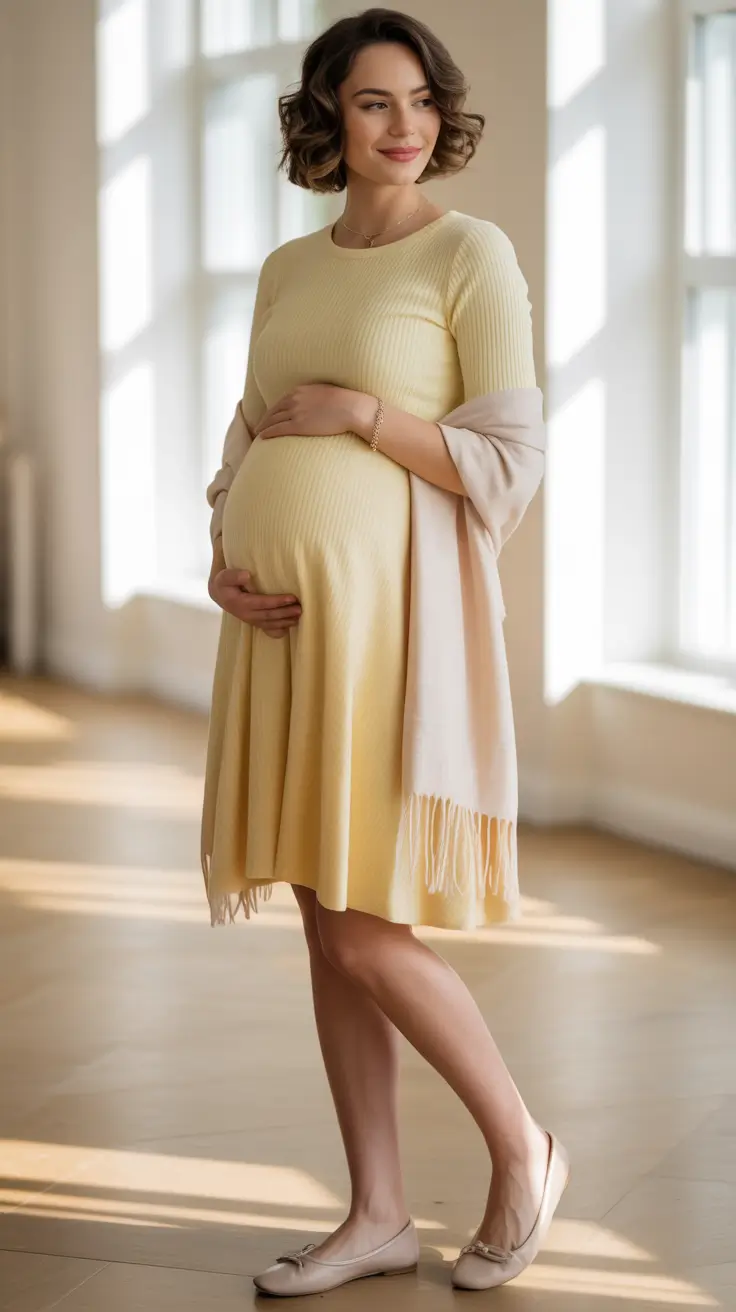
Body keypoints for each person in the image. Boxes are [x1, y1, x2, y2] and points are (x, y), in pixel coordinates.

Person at [201, 6, 568, 1298]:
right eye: (371, 102)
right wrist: (223, 558)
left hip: (393, 634)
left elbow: (512, 460)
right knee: (324, 916)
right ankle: (378, 1213)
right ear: (327, 118)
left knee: (362, 924)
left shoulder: (472, 252)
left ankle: (522, 1148)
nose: (402, 124)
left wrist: (366, 415)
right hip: (287, 635)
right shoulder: (290, 269)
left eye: (418, 99)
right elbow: (246, 439)